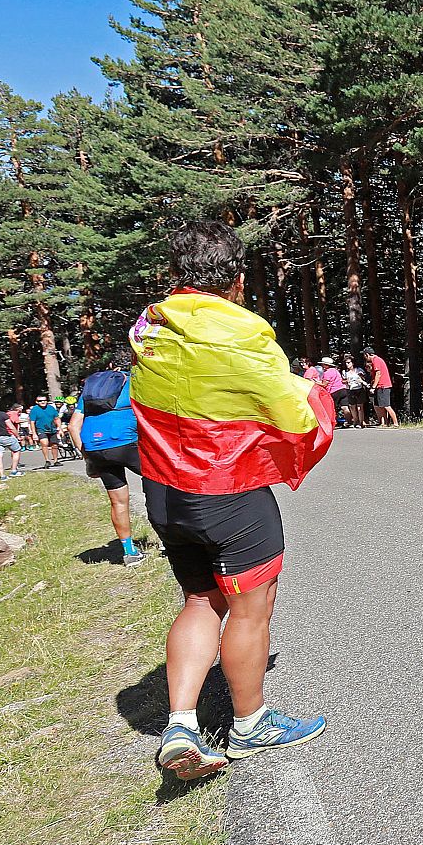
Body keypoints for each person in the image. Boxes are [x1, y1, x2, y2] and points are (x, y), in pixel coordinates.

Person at [130, 220, 335, 780]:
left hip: (164, 493)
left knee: (200, 602)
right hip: (230, 493)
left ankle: (180, 722)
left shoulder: (149, 329)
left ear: (176, 275)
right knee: (250, 608)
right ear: (237, 281)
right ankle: (250, 724)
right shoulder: (243, 334)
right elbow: (292, 416)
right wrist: (313, 394)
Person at [69, 349, 146, 565]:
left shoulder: (93, 389)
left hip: (95, 447)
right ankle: (173, 542)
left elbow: (73, 426)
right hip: (127, 444)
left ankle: (129, 552)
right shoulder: (135, 382)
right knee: (161, 487)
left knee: (118, 501)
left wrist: (88, 458)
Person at [363, 347, 399, 427]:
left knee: (386, 405)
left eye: (365, 355)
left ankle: (395, 423)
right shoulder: (376, 360)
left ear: (367, 354)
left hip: (383, 386)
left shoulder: (376, 360)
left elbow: (378, 374)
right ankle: (384, 423)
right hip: (380, 386)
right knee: (380, 405)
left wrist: (373, 387)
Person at [29, 394, 62, 468]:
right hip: (41, 429)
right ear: (37, 402)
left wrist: (60, 428)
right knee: (44, 443)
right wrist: (34, 433)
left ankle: (56, 460)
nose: (42, 402)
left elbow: (57, 418)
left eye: (44, 400)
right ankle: (47, 460)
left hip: (52, 428)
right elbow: (32, 422)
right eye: (40, 401)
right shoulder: (34, 410)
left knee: (54, 445)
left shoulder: (51, 408)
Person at [317, 358, 349, 427]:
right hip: (342, 389)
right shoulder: (336, 371)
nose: (322, 366)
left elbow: (324, 384)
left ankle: (333, 423)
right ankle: (349, 421)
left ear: (326, 365)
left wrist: (315, 382)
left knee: (332, 408)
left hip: (334, 391)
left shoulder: (327, 373)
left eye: (323, 364)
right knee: (345, 407)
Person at [341, 355, 369, 428]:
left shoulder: (359, 370)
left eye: (349, 362)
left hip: (359, 389)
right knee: (352, 406)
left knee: (360, 406)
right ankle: (355, 421)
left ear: (352, 363)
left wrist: (360, 377)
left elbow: (364, 378)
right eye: (346, 363)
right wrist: (347, 381)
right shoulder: (345, 372)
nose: (347, 364)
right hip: (350, 390)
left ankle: (361, 421)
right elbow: (343, 381)